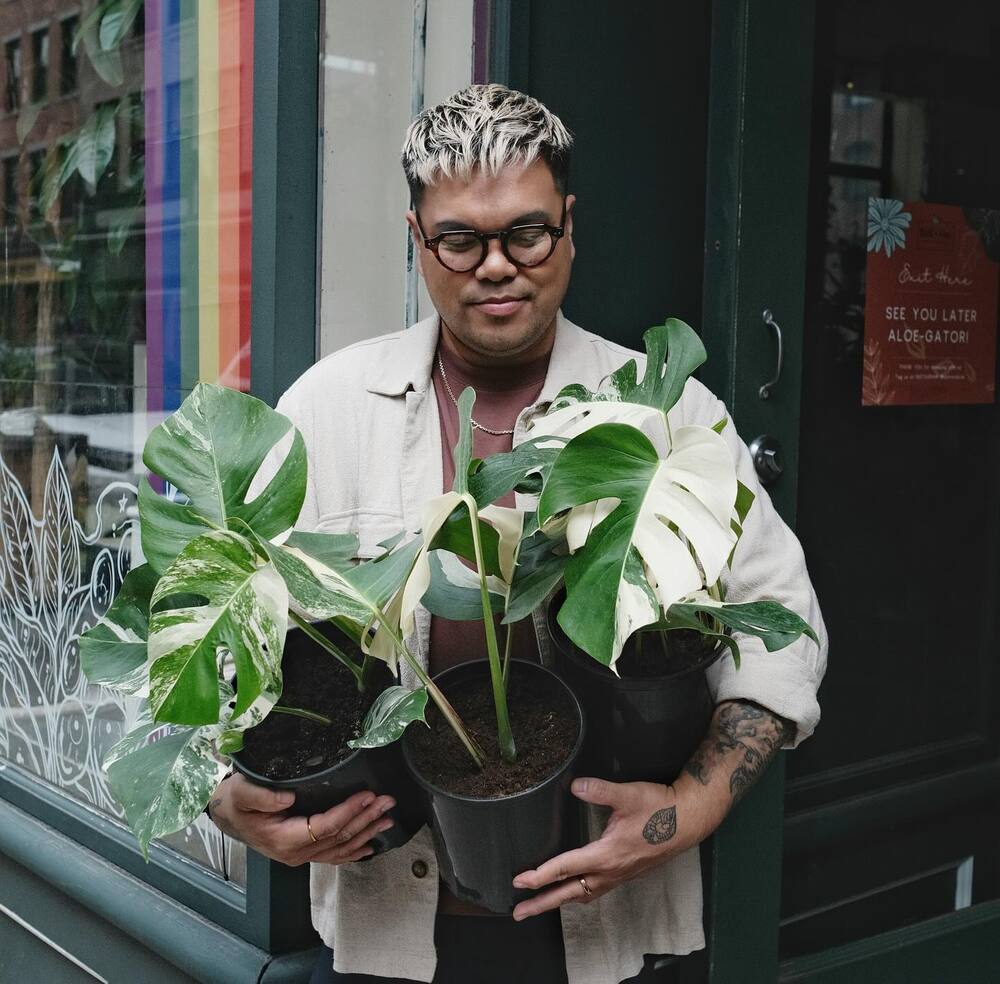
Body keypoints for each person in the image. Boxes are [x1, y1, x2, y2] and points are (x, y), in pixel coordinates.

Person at [208, 84, 828, 984]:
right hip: (395, 925)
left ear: (569, 228)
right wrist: (229, 798)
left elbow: (781, 623)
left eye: (526, 233)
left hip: (614, 924)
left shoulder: (662, 412)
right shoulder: (326, 412)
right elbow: (221, 639)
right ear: (418, 240)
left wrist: (685, 813)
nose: (495, 266)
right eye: (460, 238)